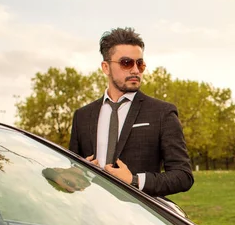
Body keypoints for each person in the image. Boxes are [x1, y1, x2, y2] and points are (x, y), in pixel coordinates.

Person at [69, 27, 193, 197]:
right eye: (126, 63)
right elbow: (72, 174)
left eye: (140, 64)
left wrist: (134, 181)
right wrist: (74, 175)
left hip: (139, 220)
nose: (135, 70)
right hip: (91, 219)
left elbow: (183, 176)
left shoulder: (162, 113)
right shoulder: (82, 116)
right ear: (106, 67)